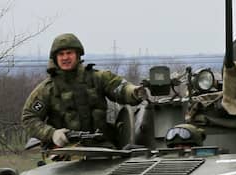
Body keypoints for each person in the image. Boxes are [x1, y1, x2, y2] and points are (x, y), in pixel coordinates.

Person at [21, 33, 149, 147]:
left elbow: (120, 88)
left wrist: (135, 92)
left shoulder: (98, 78)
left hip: (102, 149)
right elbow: (29, 118)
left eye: (69, 53)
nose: (65, 58)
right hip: (65, 152)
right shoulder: (47, 89)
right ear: (55, 58)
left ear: (77, 55)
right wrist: (52, 134)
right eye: (61, 54)